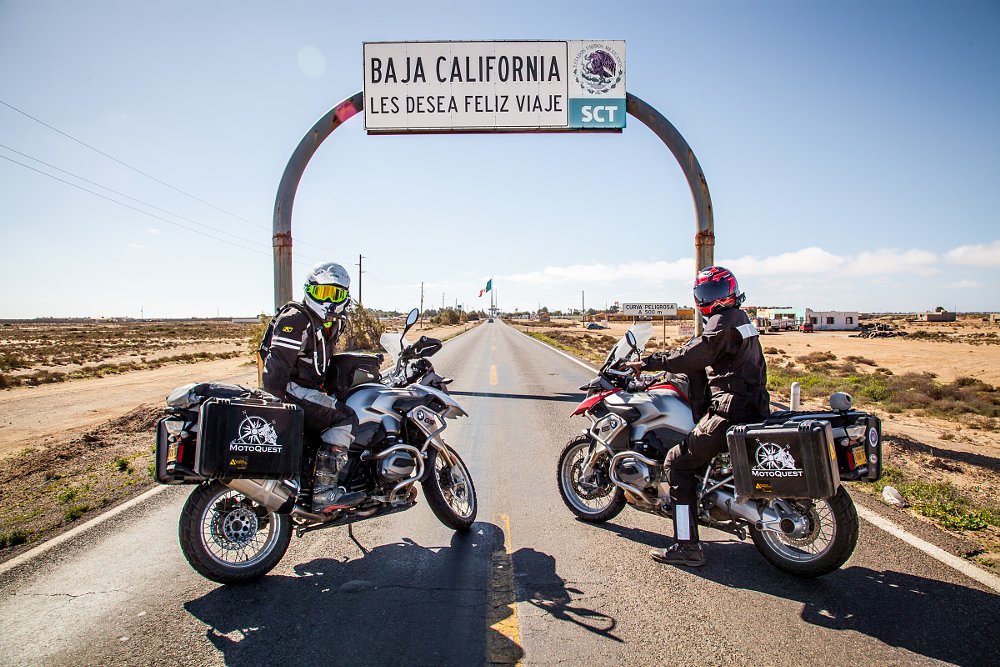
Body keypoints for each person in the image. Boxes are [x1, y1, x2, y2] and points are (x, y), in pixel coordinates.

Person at [625, 266, 770, 567]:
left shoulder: (720, 322)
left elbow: (694, 355)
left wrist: (649, 362)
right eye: (706, 294)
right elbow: (702, 354)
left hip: (730, 411)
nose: (712, 299)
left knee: (677, 463)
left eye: (716, 293)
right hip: (753, 404)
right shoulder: (741, 319)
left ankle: (686, 546)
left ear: (729, 292)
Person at [262, 261, 365, 512]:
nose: (328, 300)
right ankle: (324, 491)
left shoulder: (330, 324)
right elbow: (274, 375)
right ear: (309, 290)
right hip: (288, 389)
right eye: (322, 292)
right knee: (346, 418)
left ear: (345, 297)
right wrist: (277, 410)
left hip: (302, 389)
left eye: (335, 293)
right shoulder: (296, 318)